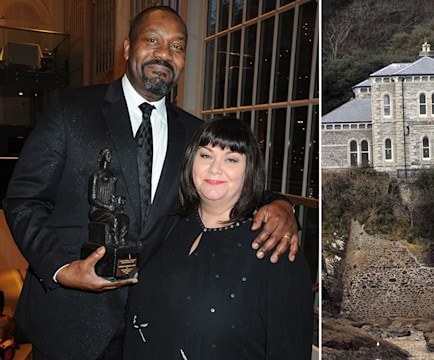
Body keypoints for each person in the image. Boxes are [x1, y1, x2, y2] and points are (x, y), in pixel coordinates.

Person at [2, 6, 299, 360]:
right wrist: (61, 269)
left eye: (177, 46)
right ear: (127, 48)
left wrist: (279, 203)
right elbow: (23, 199)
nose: (164, 54)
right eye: (153, 40)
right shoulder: (71, 110)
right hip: (68, 323)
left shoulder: (193, 133)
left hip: (150, 331)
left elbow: (223, 180)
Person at [123, 117, 313, 359]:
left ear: (249, 170)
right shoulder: (169, 222)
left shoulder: (274, 248)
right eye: (205, 155)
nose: (215, 168)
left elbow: (289, 349)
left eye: (231, 159)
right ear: (191, 161)